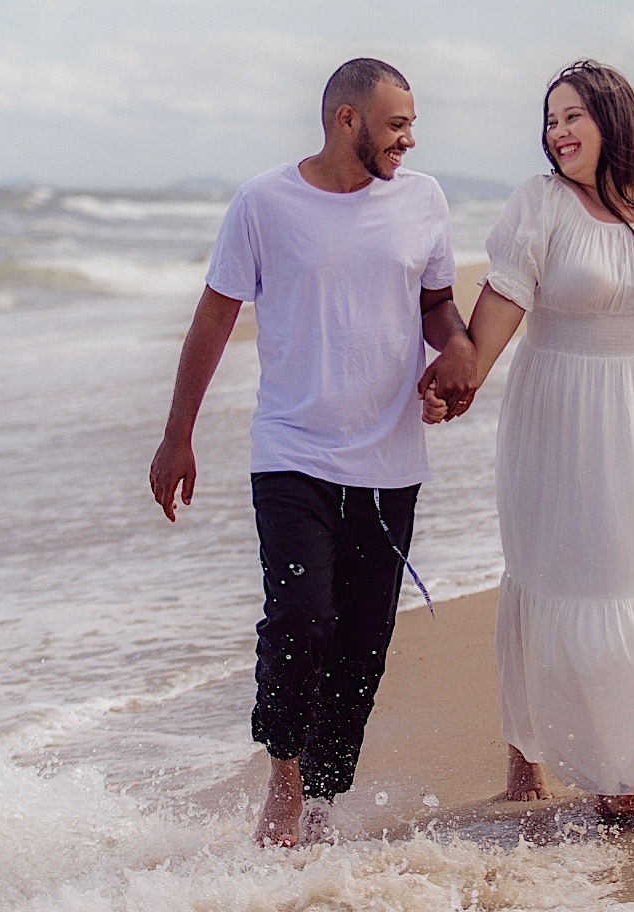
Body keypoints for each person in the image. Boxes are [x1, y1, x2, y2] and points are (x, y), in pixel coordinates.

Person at [149, 58, 475, 848]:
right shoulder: (265, 202)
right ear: (346, 120)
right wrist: (176, 433)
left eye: (411, 123)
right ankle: (286, 778)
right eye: (395, 123)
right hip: (292, 451)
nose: (409, 137)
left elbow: (435, 306)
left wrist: (458, 350)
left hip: (390, 461)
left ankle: (327, 798)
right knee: (300, 620)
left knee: (362, 644)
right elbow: (216, 316)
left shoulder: (422, 199)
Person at [425, 60, 634, 822]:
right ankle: (544, 758)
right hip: (560, 406)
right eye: (550, 119)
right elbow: (503, 298)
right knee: (557, 567)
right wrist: (463, 381)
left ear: (612, 120)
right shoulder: (540, 204)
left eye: (573, 117)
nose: (557, 132)